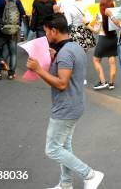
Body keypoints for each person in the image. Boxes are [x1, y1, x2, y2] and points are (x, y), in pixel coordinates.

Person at [26, 14, 104, 189]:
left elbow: (62, 83)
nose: (45, 36)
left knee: (53, 149)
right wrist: (54, 59)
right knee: (65, 146)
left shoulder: (66, 53)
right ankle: (66, 184)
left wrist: (38, 69)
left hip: (66, 108)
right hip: (75, 104)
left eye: (46, 32)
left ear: (54, 31)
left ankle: (90, 174)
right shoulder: (74, 47)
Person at [91, 0, 118, 91]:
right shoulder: (114, 14)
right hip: (114, 38)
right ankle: (111, 83)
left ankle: (103, 82)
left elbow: (96, 30)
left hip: (103, 39)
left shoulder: (99, 15)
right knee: (112, 61)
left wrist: (87, 24)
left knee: (96, 60)